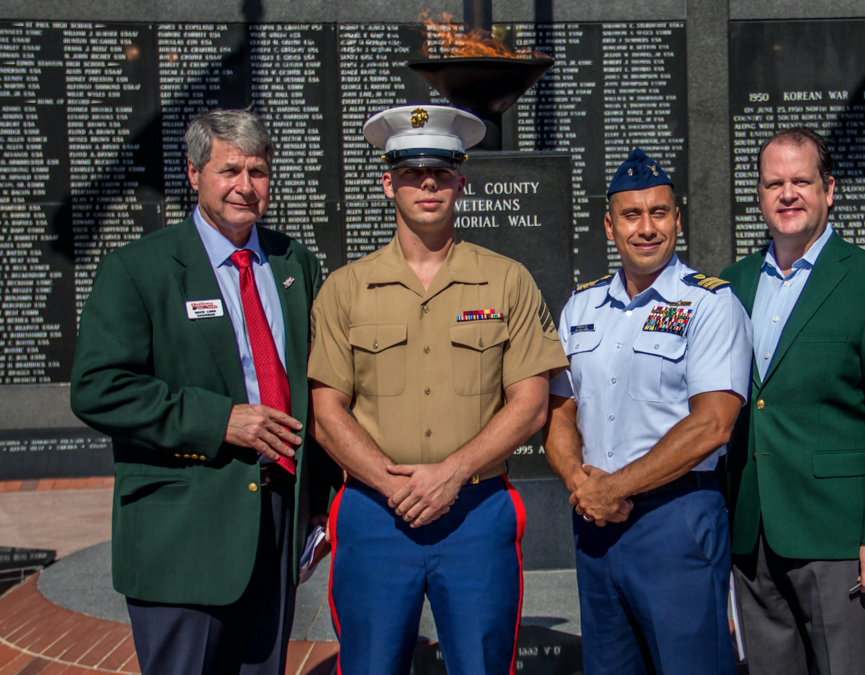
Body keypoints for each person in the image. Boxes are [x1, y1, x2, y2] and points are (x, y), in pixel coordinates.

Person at [307, 104, 568, 674]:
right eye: (410, 172)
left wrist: (449, 475)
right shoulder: (345, 290)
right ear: (387, 183)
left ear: (461, 182)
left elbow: (528, 406)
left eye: (442, 172)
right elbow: (327, 412)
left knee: (481, 663)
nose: (427, 184)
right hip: (376, 513)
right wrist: (392, 482)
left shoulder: (507, 280)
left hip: (475, 513)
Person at [70, 108, 331, 674]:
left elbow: (317, 384)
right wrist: (220, 421)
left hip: (278, 518)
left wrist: (320, 503)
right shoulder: (138, 269)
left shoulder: (294, 264)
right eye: (229, 170)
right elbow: (97, 388)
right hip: (183, 530)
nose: (245, 186)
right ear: (194, 174)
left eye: (258, 171)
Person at [718, 127, 865, 674]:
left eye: (801, 181)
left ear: (828, 189)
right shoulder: (730, 286)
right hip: (753, 531)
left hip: (838, 536)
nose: (788, 194)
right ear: (759, 195)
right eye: (774, 183)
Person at [543, 148, 752, 675]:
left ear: (677, 220)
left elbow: (713, 423)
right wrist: (580, 481)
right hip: (595, 524)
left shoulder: (710, 304)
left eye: (659, 213)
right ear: (609, 226)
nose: (646, 228)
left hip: (674, 522)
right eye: (632, 216)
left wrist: (615, 488)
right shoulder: (581, 306)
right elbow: (559, 411)